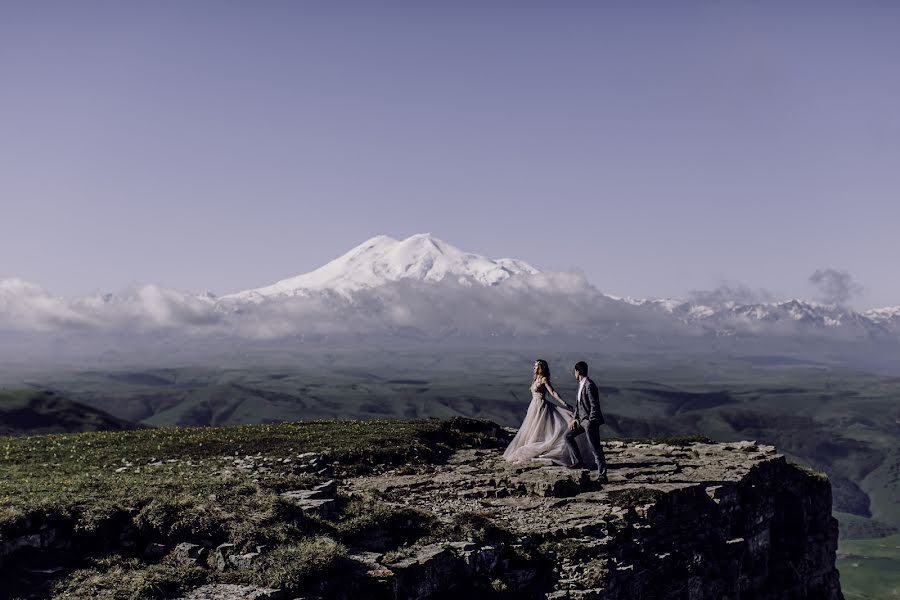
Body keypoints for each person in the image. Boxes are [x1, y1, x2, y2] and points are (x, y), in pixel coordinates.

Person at [503, 359, 594, 468]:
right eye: (534, 366)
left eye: (536, 366)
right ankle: (532, 449)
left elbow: (553, 392)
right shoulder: (535, 378)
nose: (534, 368)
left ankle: (541, 450)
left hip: (541, 406)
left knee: (541, 428)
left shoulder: (543, 379)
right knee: (532, 428)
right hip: (534, 406)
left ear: (541, 368)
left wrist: (563, 403)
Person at [564, 361, 608, 482]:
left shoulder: (589, 385)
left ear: (577, 372)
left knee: (595, 448)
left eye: (575, 371)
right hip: (581, 421)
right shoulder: (581, 384)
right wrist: (574, 419)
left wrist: (590, 421)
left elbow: (595, 406)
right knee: (568, 436)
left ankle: (603, 475)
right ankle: (578, 461)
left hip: (589, 422)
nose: (574, 374)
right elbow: (578, 405)